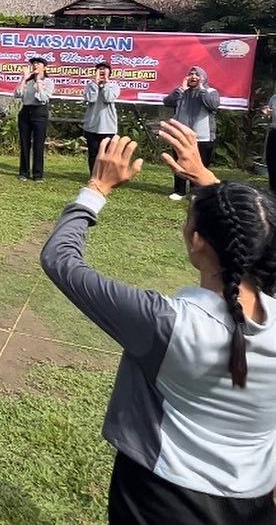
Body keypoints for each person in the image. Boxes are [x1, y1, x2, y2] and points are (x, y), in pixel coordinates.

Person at [41, 121, 276, 524]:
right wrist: (206, 179)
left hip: (158, 497)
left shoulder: (164, 323)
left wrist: (96, 189)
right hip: (252, 503)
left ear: (196, 241)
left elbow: (60, 259)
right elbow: (252, 237)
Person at [163, 66, 221, 201]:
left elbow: (213, 105)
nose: (193, 77)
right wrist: (181, 89)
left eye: (197, 74)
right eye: (191, 74)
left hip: (203, 137)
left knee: (200, 165)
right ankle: (179, 191)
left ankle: (197, 191)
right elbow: (167, 102)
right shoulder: (181, 91)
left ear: (203, 77)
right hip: (180, 135)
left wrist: (201, 89)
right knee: (180, 162)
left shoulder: (210, 91)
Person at [14, 56, 54, 182]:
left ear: (44, 67)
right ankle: (24, 172)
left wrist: (39, 82)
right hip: (26, 111)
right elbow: (17, 94)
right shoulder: (28, 81)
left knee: (38, 144)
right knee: (25, 143)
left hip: (39, 112)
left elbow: (43, 98)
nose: (35, 65)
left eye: (38, 63)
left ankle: (38, 174)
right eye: (33, 63)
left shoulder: (48, 82)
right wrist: (24, 79)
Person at [82, 62, 120, 174]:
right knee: (93, 153)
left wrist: (105, 84)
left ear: (110, 72)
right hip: (92, 126)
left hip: (107, 127)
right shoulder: (90, 86)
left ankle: (104, 176)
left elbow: (108, 98)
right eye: (99, 69)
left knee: (106, 154)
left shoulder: (114, 86)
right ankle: (93, 175)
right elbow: (91, 99)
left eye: (104, 69)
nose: (102, 71)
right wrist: (95, 83)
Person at [263, 87, 276, 193]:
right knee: (271, 163)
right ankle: (272, 190)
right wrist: (267, 114)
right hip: (274, 132)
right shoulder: (274, 98)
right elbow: (268, 117)